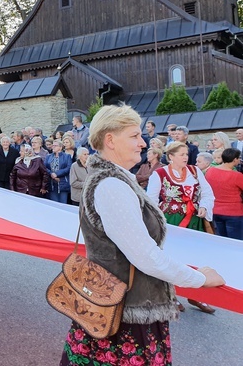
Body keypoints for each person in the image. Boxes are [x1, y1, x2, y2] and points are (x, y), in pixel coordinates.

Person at [59, 105, 224, 365]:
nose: (142, 142)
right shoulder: (111, 185)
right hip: (124, 312)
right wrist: (200, 279)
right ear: (110, 140)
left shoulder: (115, 180)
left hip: (118, 305)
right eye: (134, 136)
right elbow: (145, 256)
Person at [146, 140, 216, 314]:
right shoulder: (160, 174)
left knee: (196, 256)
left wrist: (204, 206)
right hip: (171, 220)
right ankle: (171, 295)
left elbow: (208, 193)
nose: (186, 157)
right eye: (182, 154)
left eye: (186, 154)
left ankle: (197, 295)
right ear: (171, 157)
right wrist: (155, 223)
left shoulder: (195, 171)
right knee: (173, 257)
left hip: (193, 220)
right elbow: (151, 201)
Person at [208, 148, 243, 240]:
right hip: (234, 212)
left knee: (221, 240)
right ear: (234, 159)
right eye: (239, 158)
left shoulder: (210, 171)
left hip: (215, 210)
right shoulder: (237, 176)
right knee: (236, 242)